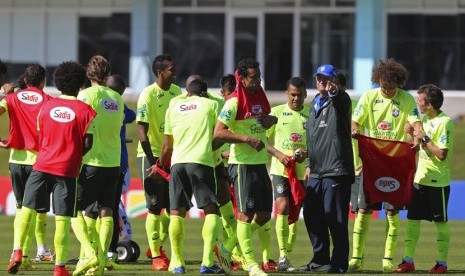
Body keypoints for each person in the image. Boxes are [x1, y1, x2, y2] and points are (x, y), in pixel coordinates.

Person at [7, 60, 96, 276]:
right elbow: (88, 143)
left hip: (41, 164)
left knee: (26, 208)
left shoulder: (47, 106)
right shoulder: (86, 111)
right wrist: (74, 156)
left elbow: (42, 134)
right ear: (80, 84)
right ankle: (59, 268)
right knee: (62, 220)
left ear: (58, 83)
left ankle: (18, 251)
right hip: (66, 171)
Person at [349, 58, 421, 272]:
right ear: (377, 81)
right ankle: (356, 258)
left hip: (394, 164)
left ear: (398, 83)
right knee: (363, 210)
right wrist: (354, 130)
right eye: (384, 87)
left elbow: (416, 123)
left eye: (391, 88)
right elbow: (356, 120)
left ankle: (387, 260)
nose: (388, 91)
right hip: (371, 163)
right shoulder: (369, 96)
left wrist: (417, 138)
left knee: (392, 213)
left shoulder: (407, 99)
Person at [213, 58, 277, 276]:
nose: (257, 81)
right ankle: (251, 265)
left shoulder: (258, 97)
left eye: (259, 77)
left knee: (265, 215)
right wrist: (246, 139)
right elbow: (219, 132)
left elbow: (262, 120)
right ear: (241, 78)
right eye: (253, 78)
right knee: (245, 215)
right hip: (242, 165)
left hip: (260, 164)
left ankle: (227, 247)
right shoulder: (233, 102)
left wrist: (272, 120)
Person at [159, 79, 224, 274]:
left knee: (176, 212)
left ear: (187, 93)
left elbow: (167, 145)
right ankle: (207, 262)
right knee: (211, 210)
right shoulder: (212, 104)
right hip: (202, 162)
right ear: (204, 93)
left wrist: (160, 165)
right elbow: (219, 134)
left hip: (177, 163)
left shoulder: (174, 107)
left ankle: (177, 263)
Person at [71, 55, 124, 276]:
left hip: (91, 161)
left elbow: (81, 130)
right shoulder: (117, 99)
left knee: (72, 210)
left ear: (89, 74)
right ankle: (100, 261)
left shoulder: (85, 95)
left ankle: (90, 253)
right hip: (113, 162)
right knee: (106, 211)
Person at [299, 64, 354, 273]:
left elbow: (340, 100)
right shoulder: (314, 102)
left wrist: (334, 91)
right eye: (319, 78)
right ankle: (320, 258)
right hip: (316, 170)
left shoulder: (341, 99)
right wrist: (307, 164)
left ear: (335, 81)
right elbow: (311, 139)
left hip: (336, 169)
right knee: (312, 214)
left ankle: (339, 263)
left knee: (335, 218)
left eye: (326, 78)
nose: (321, 81)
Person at [1, 64, 54, 272]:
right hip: (38, 163)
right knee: (31, 211)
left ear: (25, 81)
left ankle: (23, 253)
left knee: (21, 208)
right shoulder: (49, 101)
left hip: (16, 161)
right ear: (42, 82)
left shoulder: (12, 98)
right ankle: (20, 252)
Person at [396, 84, 453, 274]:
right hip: (420, 179)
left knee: (440, 223)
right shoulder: (425, 119)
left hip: (438, 182)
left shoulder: (445, 122)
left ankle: (442, 264)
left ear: (428, 104)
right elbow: (420, 145)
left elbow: (441, 154)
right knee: (412, 220)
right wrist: (412, 135)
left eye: (420, 100)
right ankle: (408, 261)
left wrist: (425, 138)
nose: (417, 103)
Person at [137, 54, 181, 271]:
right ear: (160, 72)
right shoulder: (147, 95)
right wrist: (154, 161)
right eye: (172, 69)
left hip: (172, 156)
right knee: (154, 207)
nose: (176, 72)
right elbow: (141, 132)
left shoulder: (177, 92)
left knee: (172, 207)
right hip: (150, 155)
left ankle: (156, 245)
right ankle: (156, 256)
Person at [266, 76, 309, 272]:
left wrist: (306, 156)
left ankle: (287, 256)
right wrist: (279, 154)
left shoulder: (310, 117)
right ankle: (283, 255)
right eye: (292, 95)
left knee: (294, 214)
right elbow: (262, 140)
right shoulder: (275, 113)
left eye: (299, 95)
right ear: (286, 94)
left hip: (301, 174)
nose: (296, 99)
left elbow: (317, 147)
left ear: (305, 95)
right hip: (280, 170)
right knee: (282, 207)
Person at [104, 74, 136, 269]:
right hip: (119, 162)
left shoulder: (99, 103)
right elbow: (131, 116)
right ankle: (118, 242)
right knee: (114, 205)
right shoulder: (119, 105)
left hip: (101, 161)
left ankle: (122, 237)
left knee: (105, 207)